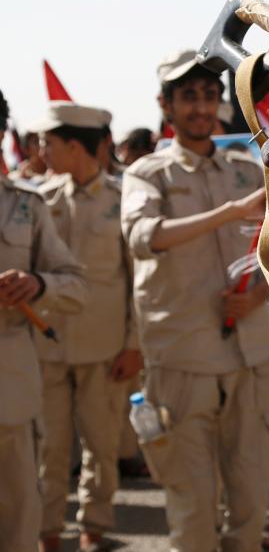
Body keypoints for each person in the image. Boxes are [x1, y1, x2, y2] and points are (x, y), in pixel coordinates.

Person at [121, 49, 269, 550]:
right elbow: (143, 236)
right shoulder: (147, 174)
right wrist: (228, 211)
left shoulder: (245, 168)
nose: (200, 107)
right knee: (192, 513)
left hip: (249, 359)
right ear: (165, 105)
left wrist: (257, 295)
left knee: (251, 509)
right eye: (187, 96)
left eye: (209, 95)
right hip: (184, 363)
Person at [29, 103, 142, 551]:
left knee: (102, 446)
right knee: (50, 450)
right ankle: (48, 533)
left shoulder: (122, 200)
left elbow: (138, 281)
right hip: (47, 348)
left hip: (106, 348)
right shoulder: (38, 200)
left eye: (47, 142)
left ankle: (93, 530)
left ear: (74, 146)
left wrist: (134, 345)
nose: (40, 150)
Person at [0, 90, 88, 552]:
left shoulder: (26, 206)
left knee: (16, 519)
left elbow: (75, 284)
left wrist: (37, 284)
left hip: (9, 391)